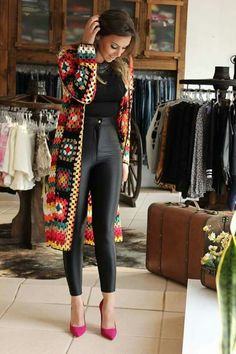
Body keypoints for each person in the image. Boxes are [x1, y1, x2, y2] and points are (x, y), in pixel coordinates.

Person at [44, 9, 138, 340]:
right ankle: (75, 304)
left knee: (105, 231)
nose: (120, 53)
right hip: (75, 149)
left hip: (111, 147)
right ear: (97, 35)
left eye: (124, 48)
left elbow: (126, 112)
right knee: (73, 225)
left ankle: (108, 305)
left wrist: (125, 157)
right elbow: (82, 93)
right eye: (114, 46)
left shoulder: (123, 66)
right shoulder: (69, 58)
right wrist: (87, 51)